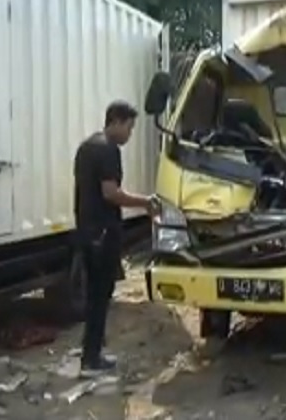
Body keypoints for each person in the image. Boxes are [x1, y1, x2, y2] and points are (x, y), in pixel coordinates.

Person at [73, 100, 159, 376]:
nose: (130, 134)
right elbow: (111, 192)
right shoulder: (108, 150)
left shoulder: (87, 147)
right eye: (130, 128)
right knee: (100, 295)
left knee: (94, 297)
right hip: (103, 233)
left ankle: (91, 350)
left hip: (87, 231)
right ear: (117, 122)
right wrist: (145, 202)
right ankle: (91, 360)